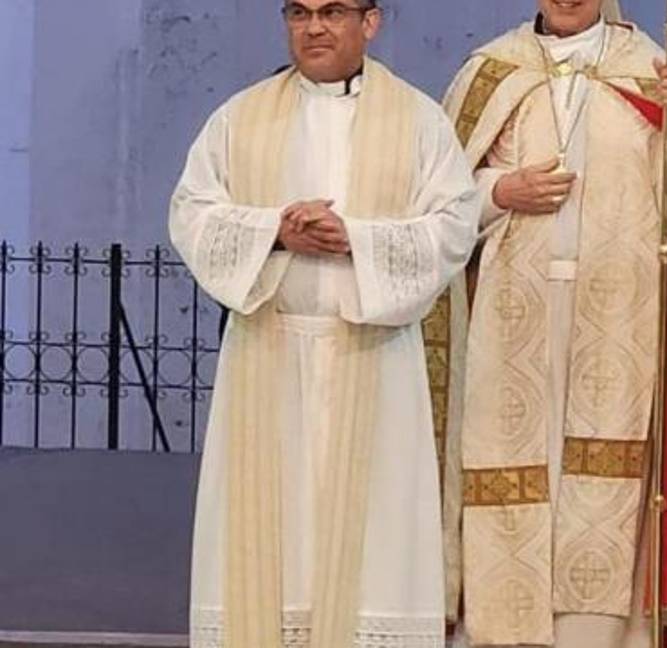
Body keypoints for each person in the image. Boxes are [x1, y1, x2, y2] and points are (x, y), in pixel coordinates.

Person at [443, 0, 667, 646]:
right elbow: (438, 200)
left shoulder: (652, 71)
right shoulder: (489, 72)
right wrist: (497, 194)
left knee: (605, 495)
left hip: (617, 323)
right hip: (511, 324)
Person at [169, 0, 481, 645]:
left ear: (370, 23)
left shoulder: (417, 119)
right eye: (299, 12)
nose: (314, 27)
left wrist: (355, 240)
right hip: (269, 351)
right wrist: (274, 231)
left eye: (333, 11)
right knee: (267, 541)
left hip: (371, 351)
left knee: (371, 540)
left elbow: (454, 225)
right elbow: (192, 212)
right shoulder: (239, 117)